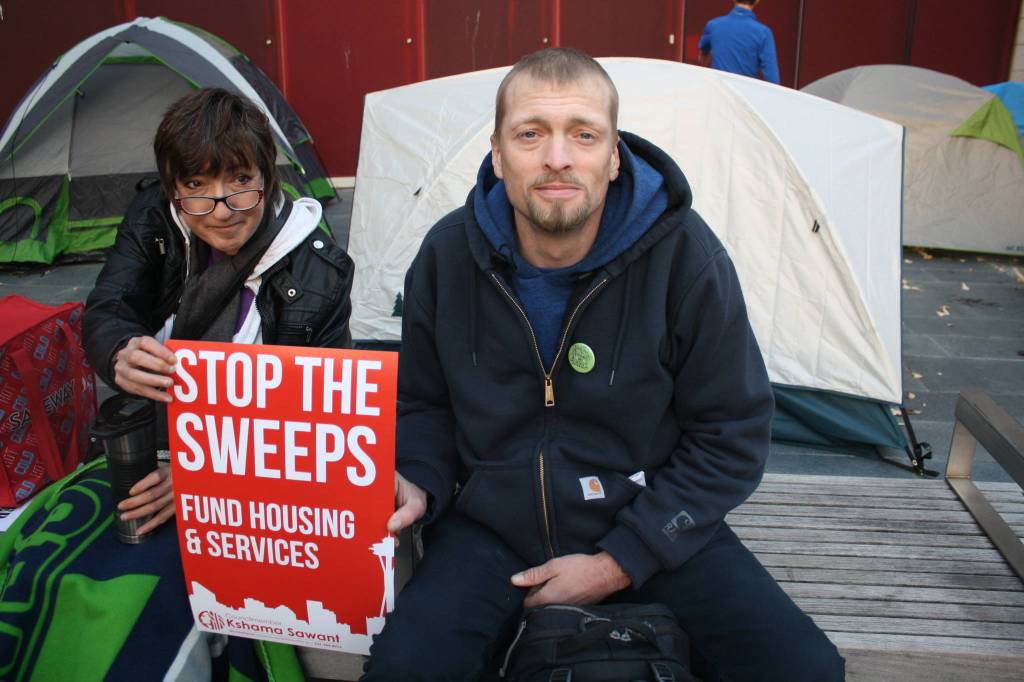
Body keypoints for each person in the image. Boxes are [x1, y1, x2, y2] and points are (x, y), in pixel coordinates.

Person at [362, 48, 843, 681]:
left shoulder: (684, 256)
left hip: (650, 524)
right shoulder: (447, 256)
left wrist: (622, 560)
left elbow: (732, 430)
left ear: (614, 156)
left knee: (806, 669)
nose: (557, 157)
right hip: (491, 530)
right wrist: (420, 476)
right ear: (498, 154)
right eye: (530, 134)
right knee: (403, 672)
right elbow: (423, 402)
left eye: (583, 135)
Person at [84, 87, 354, 536]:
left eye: (240, 180)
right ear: (172, 187)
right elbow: (110, 304)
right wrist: (117, 349)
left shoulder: (321, 273)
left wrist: (207, 477)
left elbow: (321, 423)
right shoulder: (153, 220)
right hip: (152, 443)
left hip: (256, 477)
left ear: (267, 176)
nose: (222, 210)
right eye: (195, 186)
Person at [699, 0, 780, 84]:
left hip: (718, 90)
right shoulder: (763, 32)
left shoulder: (713, 25)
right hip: (746, 90)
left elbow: (703, 57)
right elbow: (772, 78)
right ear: (757, 1)